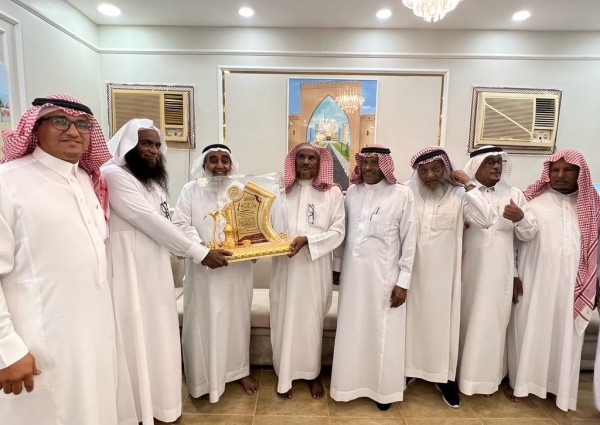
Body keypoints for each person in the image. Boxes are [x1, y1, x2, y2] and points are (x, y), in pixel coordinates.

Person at [0, 95, 118, 424]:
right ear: (35, 128)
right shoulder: (7, 181)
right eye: (60, 121)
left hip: (94, 336)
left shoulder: (87, 180)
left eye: (82, 124)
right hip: (38, 342)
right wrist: (7, 348)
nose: (73, 131)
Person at [101, 119, 208, 424]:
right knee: (138, 338)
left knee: (159, 337)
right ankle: (139, 411)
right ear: (127, 145)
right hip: (130, 273)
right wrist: (199, 252)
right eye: (145, 143)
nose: (153, 150)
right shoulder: (114, 175)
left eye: (157, 145)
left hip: (156, 270)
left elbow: (168, 221)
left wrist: (199, 245)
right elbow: (150, 221)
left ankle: (162, 406)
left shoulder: (152, 183)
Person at [505, 150, 600, 411]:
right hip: (534, 280)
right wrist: (513, 273)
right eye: (555, 170)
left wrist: (595, 285)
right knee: (529, 328)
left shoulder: (593, 206)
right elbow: (512, 242)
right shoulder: (532, 201)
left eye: (567, 170)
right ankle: (522, 383)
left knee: (565, 335)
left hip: (573, 286)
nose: (560, 175)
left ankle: (558, 389)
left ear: (580, 174)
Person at [404, 146, 495, 408]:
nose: (430, 175)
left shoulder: (460, 195)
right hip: (410, 275)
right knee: (409, 326)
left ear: (446, 168)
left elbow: (487, 219)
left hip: (445, 278)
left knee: (442, 327)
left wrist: (468, 183)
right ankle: (407, 371)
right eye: (423, 171)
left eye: (436, 168)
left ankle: (443, 378)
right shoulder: (407, 193)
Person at [330, 144, 417, 410]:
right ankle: (347, 386)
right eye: (364, 162)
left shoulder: (402, 195)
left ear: (385, 166)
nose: (368, 168)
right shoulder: (352, 193)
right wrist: (337, 266)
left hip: (386, 280)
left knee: (384, 334)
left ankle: (384, 392)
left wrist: (403, 282)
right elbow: (344, 235)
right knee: (352, 329)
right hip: (353, 279)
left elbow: (410, 240)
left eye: (374, 163)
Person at [172, 143, 259, 403]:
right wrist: (202, 249)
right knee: (203, 321)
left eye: (225, 160)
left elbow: (254, 226)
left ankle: (238, 371)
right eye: (213, 160)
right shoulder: (190, 190)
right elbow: (179, 224)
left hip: (237, 272)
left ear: (232, 165)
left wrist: (255, 244)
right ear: (204, 164)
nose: (220, 166)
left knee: (237, 321)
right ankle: (202, 379)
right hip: (204, 273)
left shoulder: (242, 191)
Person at [457, 145, 537, 397]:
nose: (496, 166)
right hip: (467, 272)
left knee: (493, 324)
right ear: (475, 166)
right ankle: (461, 377)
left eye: (499, 162)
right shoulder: (462, 193)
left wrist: (520, 218)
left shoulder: (514, 194)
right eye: (489, 162)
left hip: (500, 274)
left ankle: (488, 380)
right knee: (466, 323)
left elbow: (526, 236)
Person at [270, 142, 345, 400]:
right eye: (301, 157)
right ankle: (285, 375)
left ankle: (312, 374)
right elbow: (267, 226)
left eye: (311, 158)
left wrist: (309, 241)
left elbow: (338, 231)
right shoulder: (280, 192)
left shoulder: (333, 193)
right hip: (285, 268)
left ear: (320, 162)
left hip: (315, 268)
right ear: (293, 161)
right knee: (283, 318)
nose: (306, 161)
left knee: (312, 321)